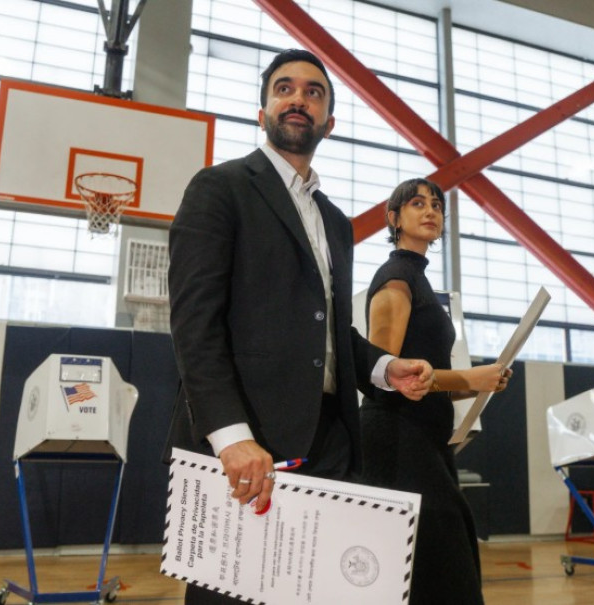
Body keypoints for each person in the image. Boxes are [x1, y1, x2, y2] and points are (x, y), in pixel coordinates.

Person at [164, 49, 435, 604]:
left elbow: (329, 331)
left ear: (329, 122)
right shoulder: (220, 188)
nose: (298, 99)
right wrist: (231, 436)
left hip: (330, 441)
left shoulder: (335, 222)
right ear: (262, 110)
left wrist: (385, 368)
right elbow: (195, 324)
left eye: (314, 93)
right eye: (284, 88)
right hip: (249, 442)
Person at [359, 177, 512, 605]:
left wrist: (481, 385)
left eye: (437, 205)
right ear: (394, 218)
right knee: (443, 567)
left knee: (442, 565)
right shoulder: (396, 278)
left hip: (426, 439)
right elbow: (386, 373)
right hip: (396, 439)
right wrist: (470, 378)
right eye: (417, 203)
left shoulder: (419, 280)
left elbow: (426, 383)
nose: (430, 211)